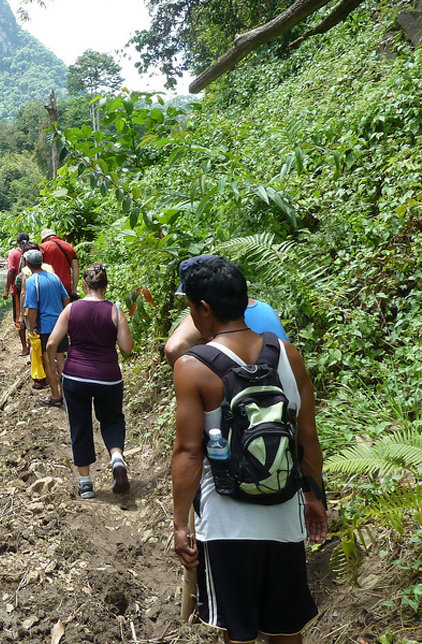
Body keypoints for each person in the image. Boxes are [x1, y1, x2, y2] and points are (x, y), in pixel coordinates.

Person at [171, 255, 327, 644]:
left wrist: (179, 525)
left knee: (237, 633)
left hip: (227, 523)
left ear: (204, 309)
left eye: (191, 309)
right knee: (286, 629)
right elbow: (307, 438)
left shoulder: (194, 367)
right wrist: (314, 495)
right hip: (284, 518)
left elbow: (189, 452)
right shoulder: (289, 356)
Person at [46, 263, 133, 498]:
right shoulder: (115, 309)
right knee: (112, 419)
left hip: (76, 376)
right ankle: (116, 458)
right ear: (106, 285)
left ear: (84, 284)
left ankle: (85, 483)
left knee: (80, 424)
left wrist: (55, 367)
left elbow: (52, 343)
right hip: (108, 377)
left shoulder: (71, 310)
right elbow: (126, 348)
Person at [164, 254, 289, 368]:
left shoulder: (205, 314)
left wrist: (195, 372)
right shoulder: (268, 310)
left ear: (204, 307)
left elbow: (174, 349)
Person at [22, 248, 69, 407]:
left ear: (28, 264)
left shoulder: (31, 281)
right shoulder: (54, 277)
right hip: (60, 325)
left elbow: (33, 309)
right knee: (60, 358)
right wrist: (66, 316)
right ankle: (66, 395)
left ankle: (55, 396)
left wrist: (31, 327)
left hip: (46, 327)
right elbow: (66, 298)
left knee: (48, 360)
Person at [18, 243, 55, 389]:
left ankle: (38, 377)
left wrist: (21, 315)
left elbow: (23, 293)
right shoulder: (49, 268)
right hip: (51, 311)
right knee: (51, 343)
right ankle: (54, 372)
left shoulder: (26, 271)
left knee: (34, 342)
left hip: (33, 311)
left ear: (27, 261)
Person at [3, 232, 30, 356]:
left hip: (19, 290)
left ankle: (25, 348)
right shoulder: (33, 251)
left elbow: (11, 272)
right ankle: (31, 345)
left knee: (20, 318)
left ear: (17, 242)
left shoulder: (14, 253)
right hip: (33, 288)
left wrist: (7, 289)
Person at [39, 229, 79, 301]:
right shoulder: (69, 247)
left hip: (49, 286)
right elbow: (75, 269)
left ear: (44, 238)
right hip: (66, 287)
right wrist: (74, 288)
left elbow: (38, 267)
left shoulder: (43, 247)